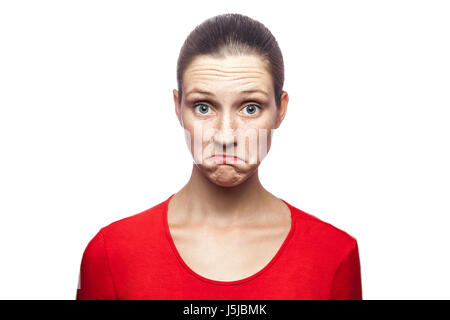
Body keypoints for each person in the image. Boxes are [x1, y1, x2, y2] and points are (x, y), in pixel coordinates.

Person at [76, 13, 362, 300]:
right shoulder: (111, 253)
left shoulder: (334, 254)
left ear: (281, 109)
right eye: (203, 107)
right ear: (178, 108)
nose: (225, 137)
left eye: (250, 108)